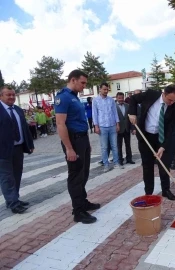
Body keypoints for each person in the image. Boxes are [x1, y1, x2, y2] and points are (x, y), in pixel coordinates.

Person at [54, 70, 99, 224]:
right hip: (73, 141)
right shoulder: (63, 97)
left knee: (84, 173)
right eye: (83, 83)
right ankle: (78, 211)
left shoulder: (74, 97)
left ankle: (83, 202)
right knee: (75, 176)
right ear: (73, 80)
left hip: (82, 140)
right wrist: (69, 148)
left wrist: (86, 144)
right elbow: (60, 124)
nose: (84, 86)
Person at [128, 85, 175, 200]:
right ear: (164, 93)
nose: (171, 103)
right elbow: (133, 99)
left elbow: (171, 129)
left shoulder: (174, 106)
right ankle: (149, 192)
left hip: (161, 138)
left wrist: (163, 146)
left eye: (174, 100)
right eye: (170, 100)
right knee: (147, 166)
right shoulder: (151, 95)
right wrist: (132, 113)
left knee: (164, 165)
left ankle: (165, 190)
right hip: (146, 136)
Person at [0, 86, 34, 214]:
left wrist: (30, 144)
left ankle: (14, 199)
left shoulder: (18, 110)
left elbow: (25, 128)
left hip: (18, 148)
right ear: (1, 96)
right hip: (3, 150)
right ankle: (13, 203)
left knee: (16, 175)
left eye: (13, 95)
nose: (12, 97)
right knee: (6, 177)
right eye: (8, 95)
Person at [92, 82, 122, 172]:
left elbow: (115, 112)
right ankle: (106, 164)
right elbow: (95, 114)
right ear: (100, 89)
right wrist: (96, 126)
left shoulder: (111, 100)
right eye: (104, 89)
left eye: (107, 89)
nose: (106, 91)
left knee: (115, 146)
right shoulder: (95, 100)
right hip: (102, 126)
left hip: (112, 125)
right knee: (104, 147)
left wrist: (117, 124)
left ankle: (116, 163)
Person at [115, 92, 135, 165]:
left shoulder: (127, 106)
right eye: (119, 98)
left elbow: (131, 117)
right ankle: (120, 160)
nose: (121, 99)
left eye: (122, 98)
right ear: (116, 98)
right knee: (119, 146)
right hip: (118, 129)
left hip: (127, 128)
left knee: (128, 145)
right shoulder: (113, 106)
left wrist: (133, 128)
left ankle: (129, 159)